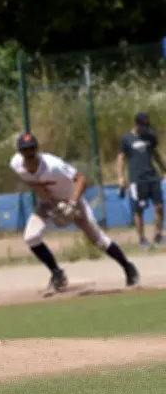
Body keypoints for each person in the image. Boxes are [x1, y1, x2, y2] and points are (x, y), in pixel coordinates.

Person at [11, 133, 140, 294]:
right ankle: (57, 273)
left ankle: (128, 267)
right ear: (20, 152)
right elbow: (32, 183)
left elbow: (81, 179)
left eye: (32, 149)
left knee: (98, 239)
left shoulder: (53, 165)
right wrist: (51, 203)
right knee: (31, 237)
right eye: (25, 150)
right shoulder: (16, 164)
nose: (29, 153)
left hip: (73, 200)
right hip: (48, 203)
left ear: (37, 149)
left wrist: (71, 203)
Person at [117, 111, 166, 249]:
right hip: (136, 180)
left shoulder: (150, 136)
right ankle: (142, 239)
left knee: (159, 206)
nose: (145, 129)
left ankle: (158, 235)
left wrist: (163, 169)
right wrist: (121, 177)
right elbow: (121, 158)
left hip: (152, 177)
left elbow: (155, 154)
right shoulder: (126, 139)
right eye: (142, 126)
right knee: (138, 211)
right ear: (136, 125)